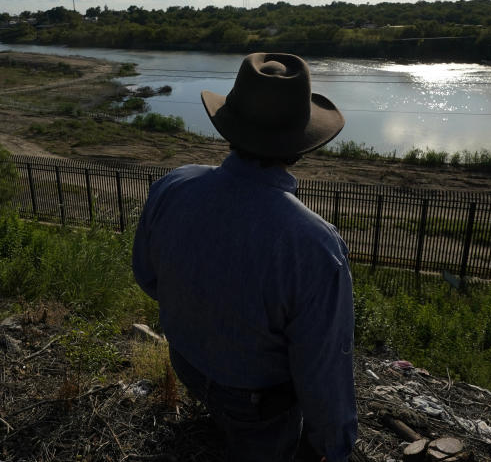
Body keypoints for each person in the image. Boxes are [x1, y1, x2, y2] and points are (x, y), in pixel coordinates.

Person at [132, 53, 357, 461]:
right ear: (300, 144)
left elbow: (148, 277)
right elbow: (322, 368)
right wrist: (334, 448)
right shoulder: (314, 244)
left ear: (229, 126)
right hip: (254, 403)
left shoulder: (174, 185)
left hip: (186, 362)